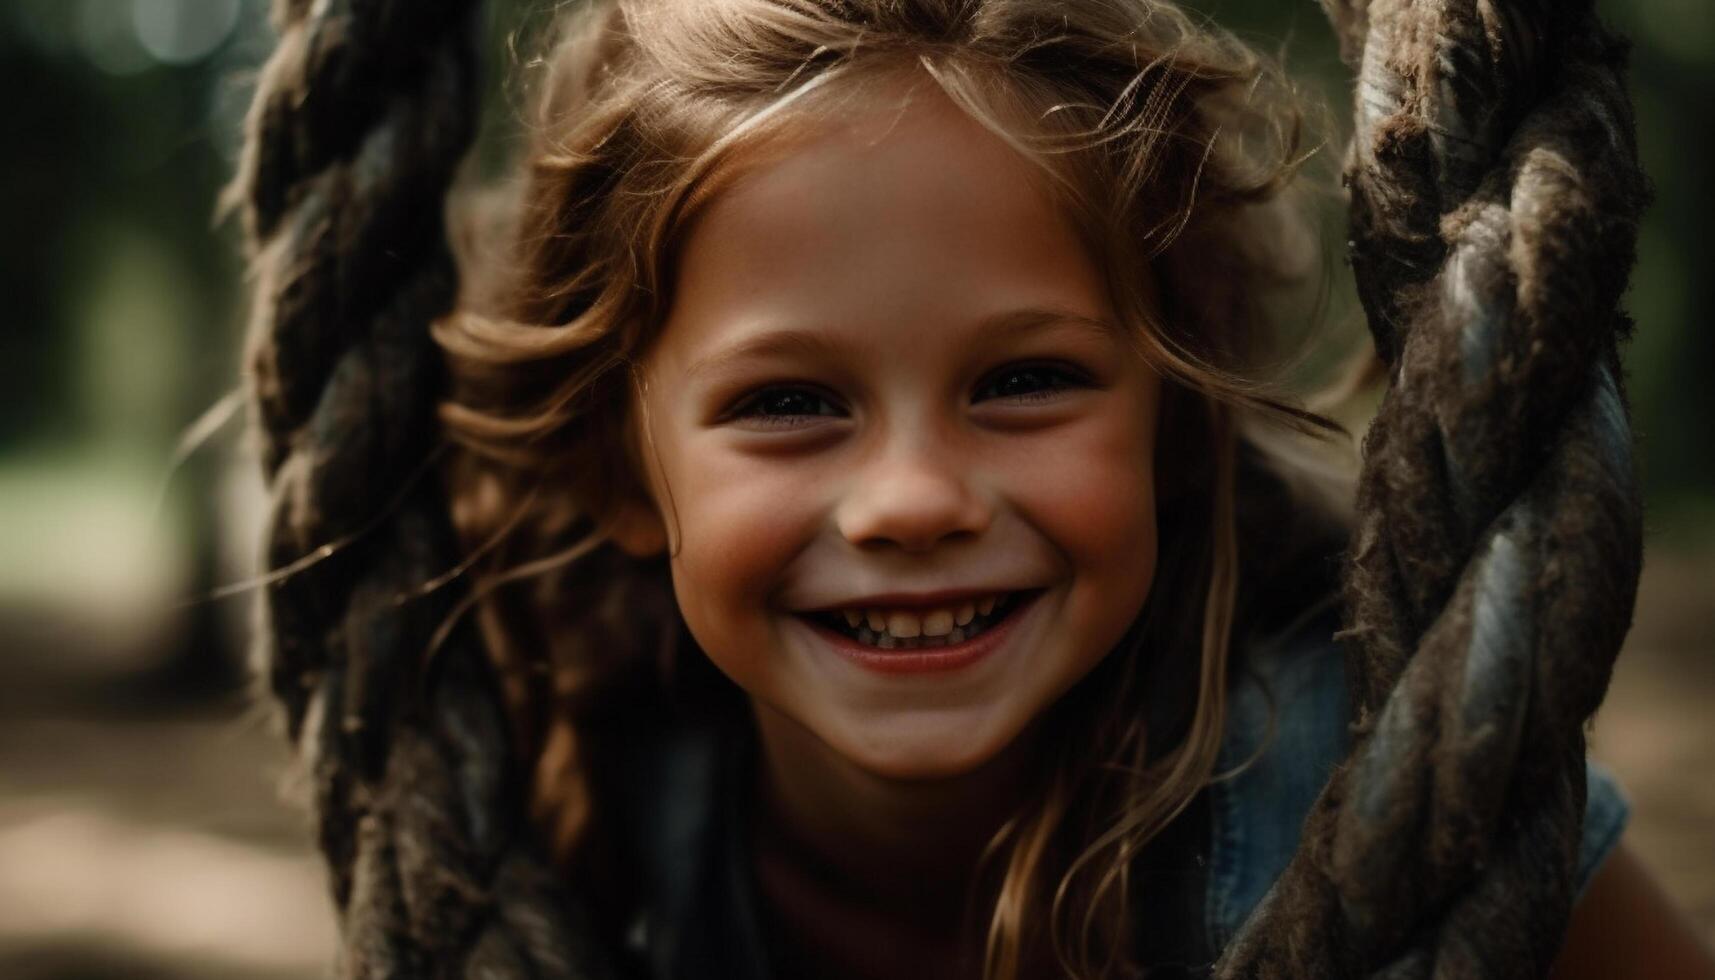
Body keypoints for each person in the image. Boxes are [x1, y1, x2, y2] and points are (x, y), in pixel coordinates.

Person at [427, 1, 1714, 977]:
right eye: (786, 403)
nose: (912, 498)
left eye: (1024, 379)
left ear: (1170, 405)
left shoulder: (1360, 760)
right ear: (620, 467)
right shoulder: (578, 797)